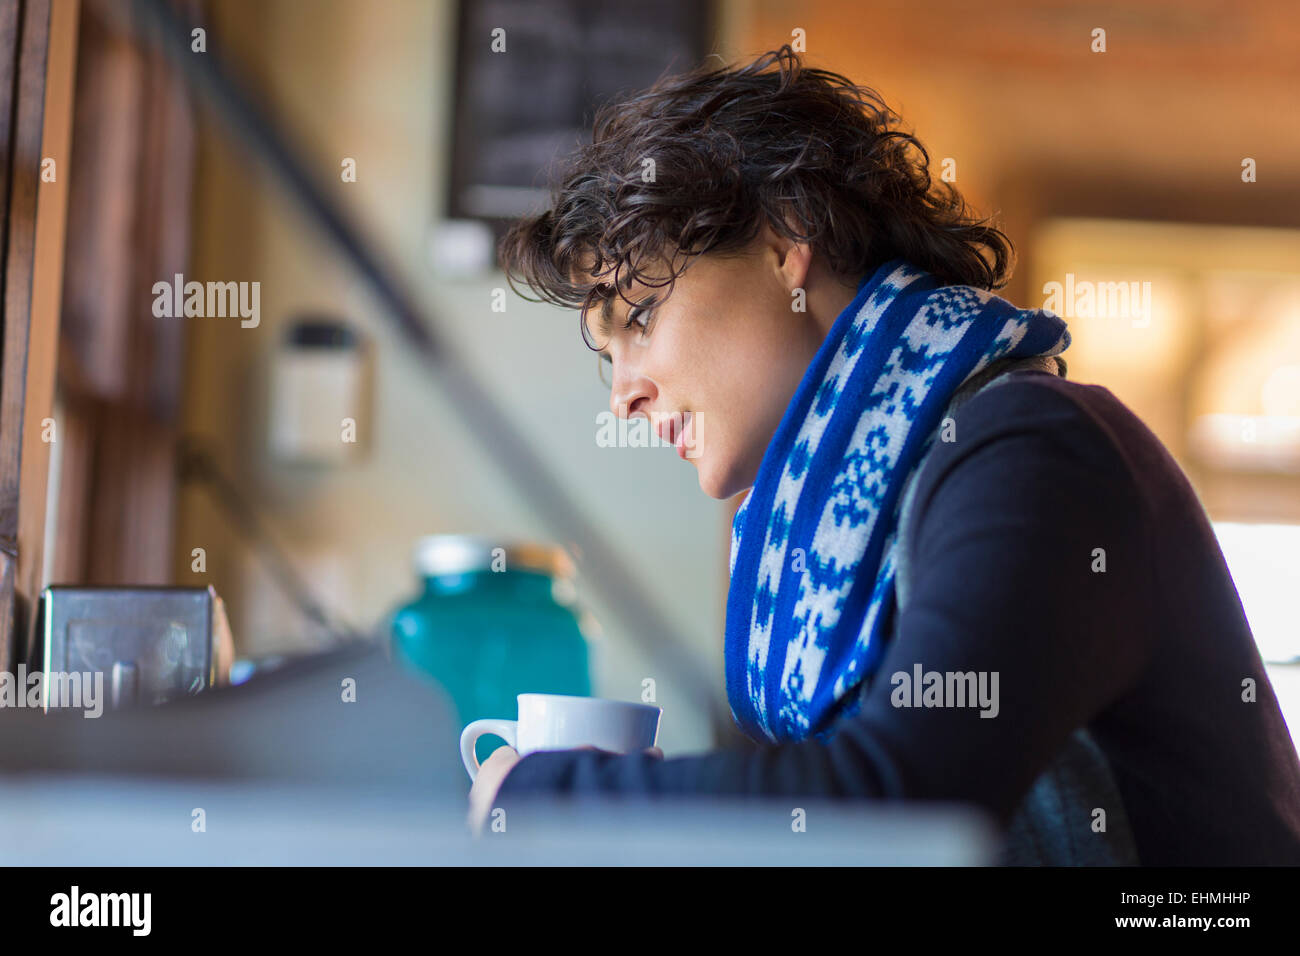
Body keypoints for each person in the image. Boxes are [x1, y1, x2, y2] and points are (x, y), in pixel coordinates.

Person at [475, 45, 1300, 865]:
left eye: (643, 317)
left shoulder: (1034, 450)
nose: (623, 395)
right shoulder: (809, 523)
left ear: (785, 239)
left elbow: (907, 802)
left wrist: (553, 800)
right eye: (605, 357)